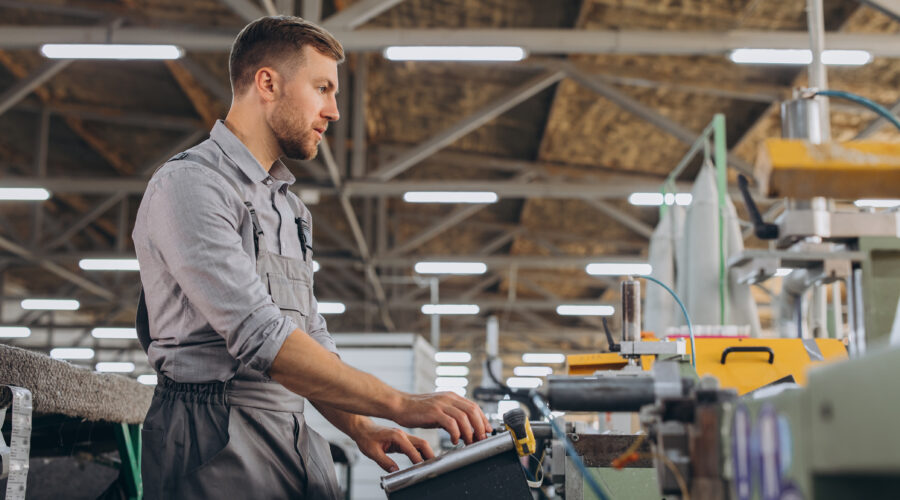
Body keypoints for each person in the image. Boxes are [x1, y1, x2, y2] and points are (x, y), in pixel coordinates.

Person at [132, 15, 490, 499]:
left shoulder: (288, 207)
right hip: (210, 437)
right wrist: (399, 403)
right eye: (323, 88)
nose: (334, 111)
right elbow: (262, 337)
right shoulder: (190, 186)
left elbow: (309, 336)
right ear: (267, 83)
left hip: (290, 427)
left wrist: (361, 427)